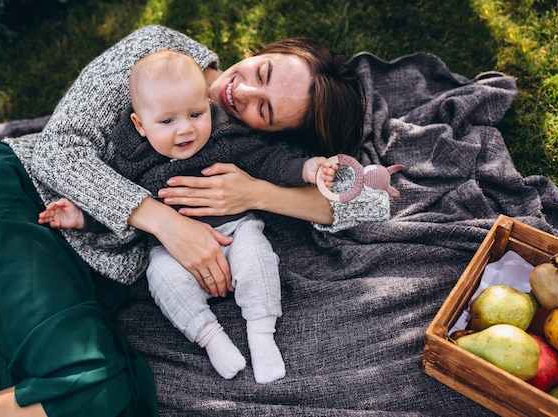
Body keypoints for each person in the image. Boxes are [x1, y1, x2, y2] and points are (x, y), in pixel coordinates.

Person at [0, 25, 364, 416]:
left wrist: (258, 193)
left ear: (275, 132)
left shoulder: (246, 148)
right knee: (91, 388)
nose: (242, 90)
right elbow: (57, 151)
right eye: (263, 70)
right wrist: (166, 223)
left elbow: (362, 204)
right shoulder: (158, 51)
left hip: (78, 273)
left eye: (265, 110)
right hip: (18, 202)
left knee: (102, 399)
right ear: (263, 50)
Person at [39, 49, 337, 383]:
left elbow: (272, 162)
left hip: (235, 231)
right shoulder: (134, 160)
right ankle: (212, 338)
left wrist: (310, 169)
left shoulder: (226, 139)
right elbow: (113, 195)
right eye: (167, 122)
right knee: (163, 278)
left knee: (257, 257)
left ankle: (261, 333)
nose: (185, 131)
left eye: (196, 114)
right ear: (140, 125)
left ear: (208, 106)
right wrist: (80, 217)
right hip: (171, 252)